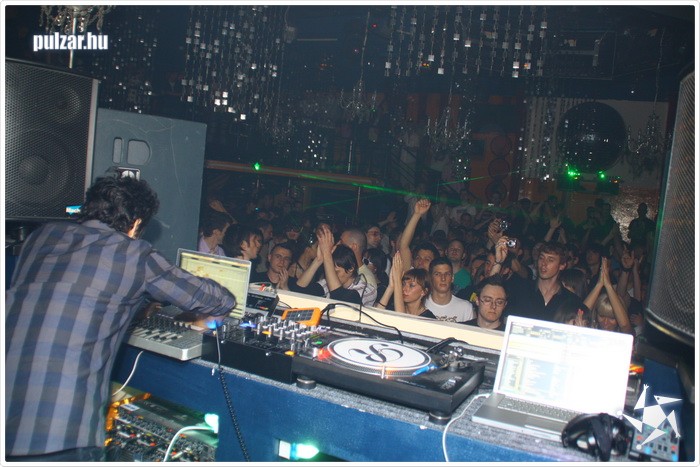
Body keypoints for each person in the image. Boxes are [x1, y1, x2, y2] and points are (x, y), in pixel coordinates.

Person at [5, 176, 237, 462]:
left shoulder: (41, 238)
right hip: (61, 431)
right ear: (136, 224)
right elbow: (215, 299)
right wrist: (211, 318)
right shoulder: (132, 253)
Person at [294, 225, 377, 307]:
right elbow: (299, 291)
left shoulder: (367, 289)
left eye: (336, 272)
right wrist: (318, 260)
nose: (332, 275)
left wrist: (327, 254)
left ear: (351, 268)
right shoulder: (328, 283)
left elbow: (342, 300)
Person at [376, 253, 436, 318]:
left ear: (424, 291)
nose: (404, 289)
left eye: (411, 285)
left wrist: (397, 280)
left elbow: (402, 320)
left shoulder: (428, 318)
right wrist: (391, 287)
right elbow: (376, 317)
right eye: (403, 284)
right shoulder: (394, 307)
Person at [584, 257, 634, 335]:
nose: (605, 322)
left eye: (612, 318)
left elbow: (625, 326)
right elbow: (579, 315)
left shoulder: (624, 337)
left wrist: (608, 285)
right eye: (601, 316)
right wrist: (599, 284)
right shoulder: (590, 329)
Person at [425, 257, 475, 323]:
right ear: (431, 278)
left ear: (452, 278)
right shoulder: (422, 305)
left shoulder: (465, 308)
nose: (443, 278)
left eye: (447, 274)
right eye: (437, 274)